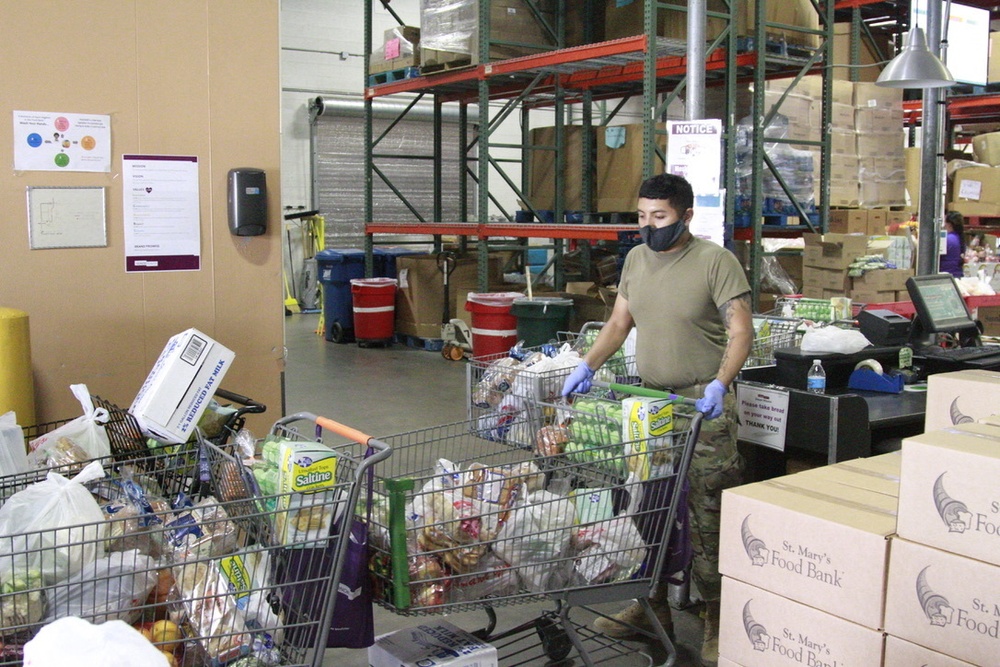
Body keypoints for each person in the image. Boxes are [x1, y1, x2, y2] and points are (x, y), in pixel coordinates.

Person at [561, 173, 753, 667]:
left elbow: (741, 331)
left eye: (660, 218)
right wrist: (587, 364)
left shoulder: (717, 261)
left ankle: (716, 616)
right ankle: (652, 610)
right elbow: (619, 323)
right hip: (649, 407)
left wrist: (720, 384)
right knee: (647, 508)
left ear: (686, 215)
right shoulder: (635, 260)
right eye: (642, 217)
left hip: (700, 409)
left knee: (706, 512)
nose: (649, 228)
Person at [940, 211, 965, 279]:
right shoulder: (958, 237)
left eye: (945, 222)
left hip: (947, 277)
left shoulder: (948, 239)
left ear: (949, 224)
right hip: (957, 275)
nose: (944, 225)